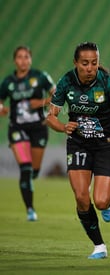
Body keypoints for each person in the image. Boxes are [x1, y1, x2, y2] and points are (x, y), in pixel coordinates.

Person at [46, 42, 110, 259]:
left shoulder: (108, 84)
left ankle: (109, 201)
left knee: (100, 201)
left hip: (106, 144)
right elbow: (50, 115)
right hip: (78, 144)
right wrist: (64, 127)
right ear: (76, 63)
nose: (90, 68)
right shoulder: (66, 82)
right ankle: (99, 245)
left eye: (94, 63)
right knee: (81, 197)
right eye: (85, 63)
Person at [0, 46, 55, 221]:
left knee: (34, 171)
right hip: (17, 128)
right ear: (15, 60)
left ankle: (32, 179)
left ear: (30, 59)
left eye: (26, 57)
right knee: (25, 167)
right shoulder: (8, 82)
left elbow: (58, 95)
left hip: (38, 127)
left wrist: (42, 102)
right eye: (20, 57)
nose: (23, 60)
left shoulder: (40, 77)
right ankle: (30, 209)